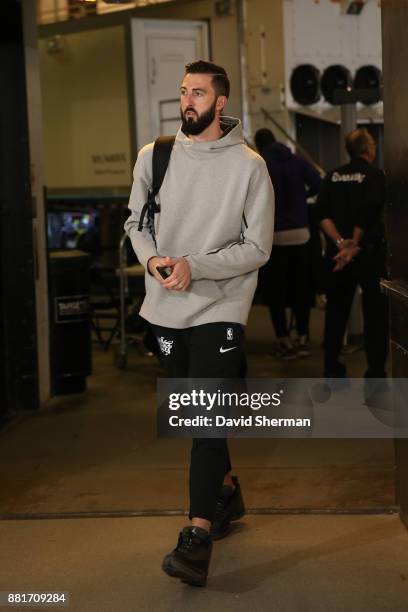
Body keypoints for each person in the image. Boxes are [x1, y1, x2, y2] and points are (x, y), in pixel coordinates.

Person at [124, 60, 274, 587]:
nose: (188, 101)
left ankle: (197, 537)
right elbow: (136, 221)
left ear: (221, 102)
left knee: (205, 418)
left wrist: (197, 266)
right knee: (196, 415)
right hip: (165, 305)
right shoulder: (156, 155)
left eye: (199, 93)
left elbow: (258, 247)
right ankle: (226, 489)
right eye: (184, 92)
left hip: (220, 305)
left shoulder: (249, 166)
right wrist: (152, 260)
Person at [316, 128, 388, 378]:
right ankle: (375, 371)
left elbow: (321, 213)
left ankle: (331, 366)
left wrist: (339, 243)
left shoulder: (333, 176)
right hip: (367, 254)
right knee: (375, 314)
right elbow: (369, 211)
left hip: (338, 258)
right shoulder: (374, 175)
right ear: (368, 148)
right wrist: (353, 245)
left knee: (336, 312)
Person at [254, 128, 322, 359]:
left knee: (276, 292)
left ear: (259, 145)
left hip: (273, 237)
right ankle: (303, 337)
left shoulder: (260, 164)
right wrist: (302, 198)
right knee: (301, 289)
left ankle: (283, 340)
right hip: (300, 234)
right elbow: (318, 184)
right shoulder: (297, 161)